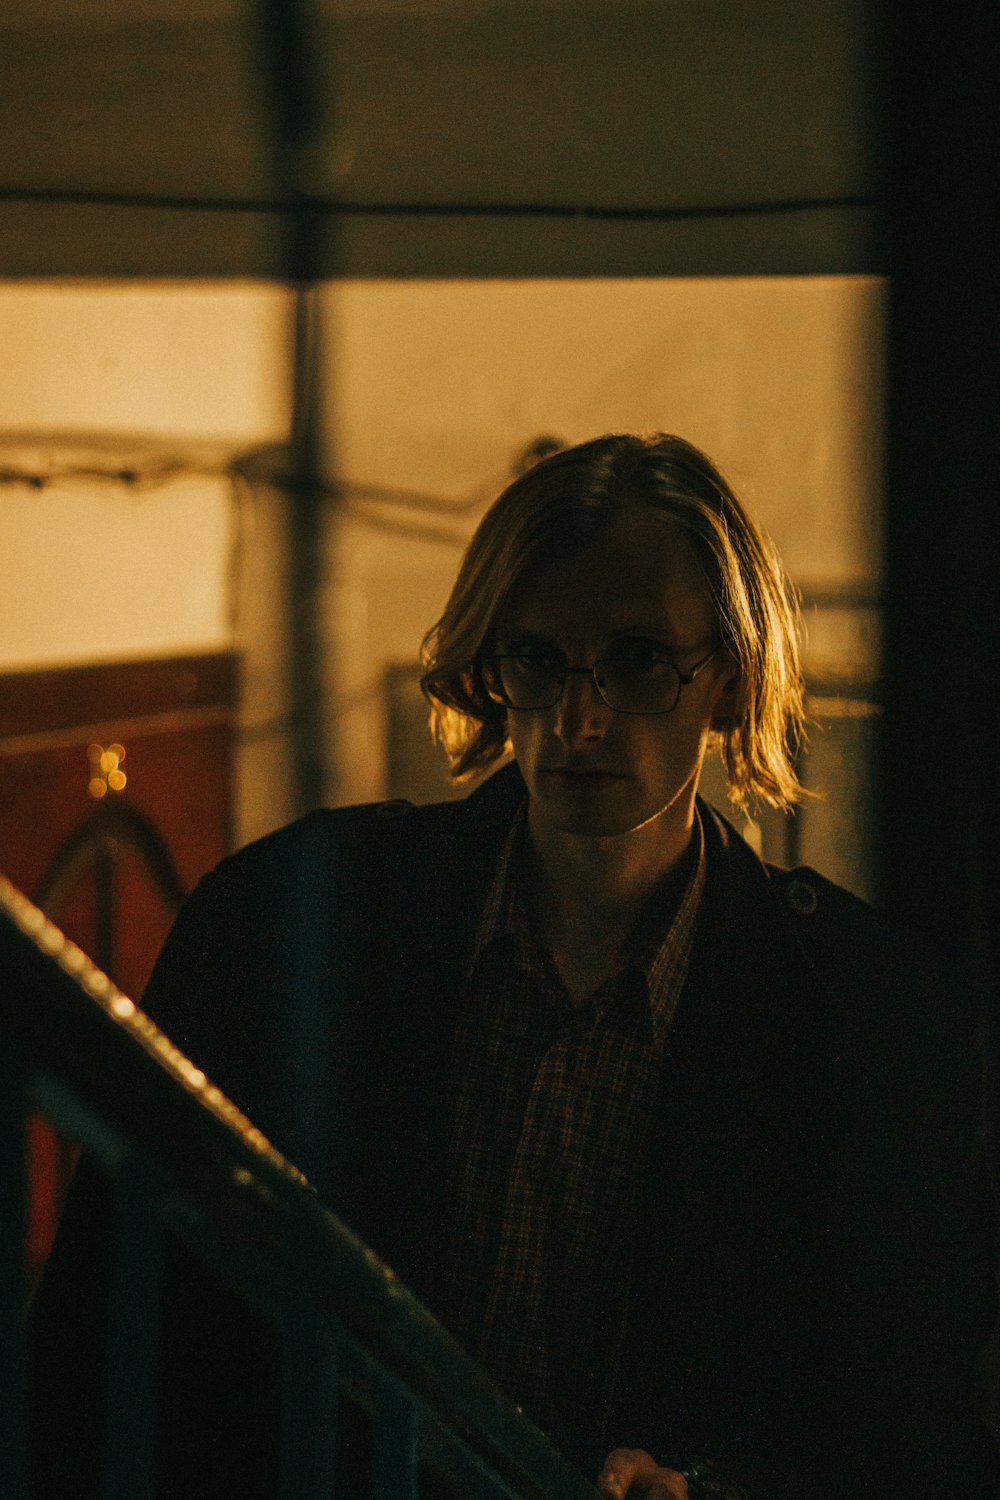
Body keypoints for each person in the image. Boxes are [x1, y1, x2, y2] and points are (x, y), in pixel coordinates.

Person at [30, 433, 998, 1499]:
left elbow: (911, 1430)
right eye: (538, 659)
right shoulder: (295, 918)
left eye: (636, 660)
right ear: (492, 670)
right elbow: (115, 1331)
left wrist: (715, 1488)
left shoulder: (854, 1011)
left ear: (725, 676)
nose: (579, 720)